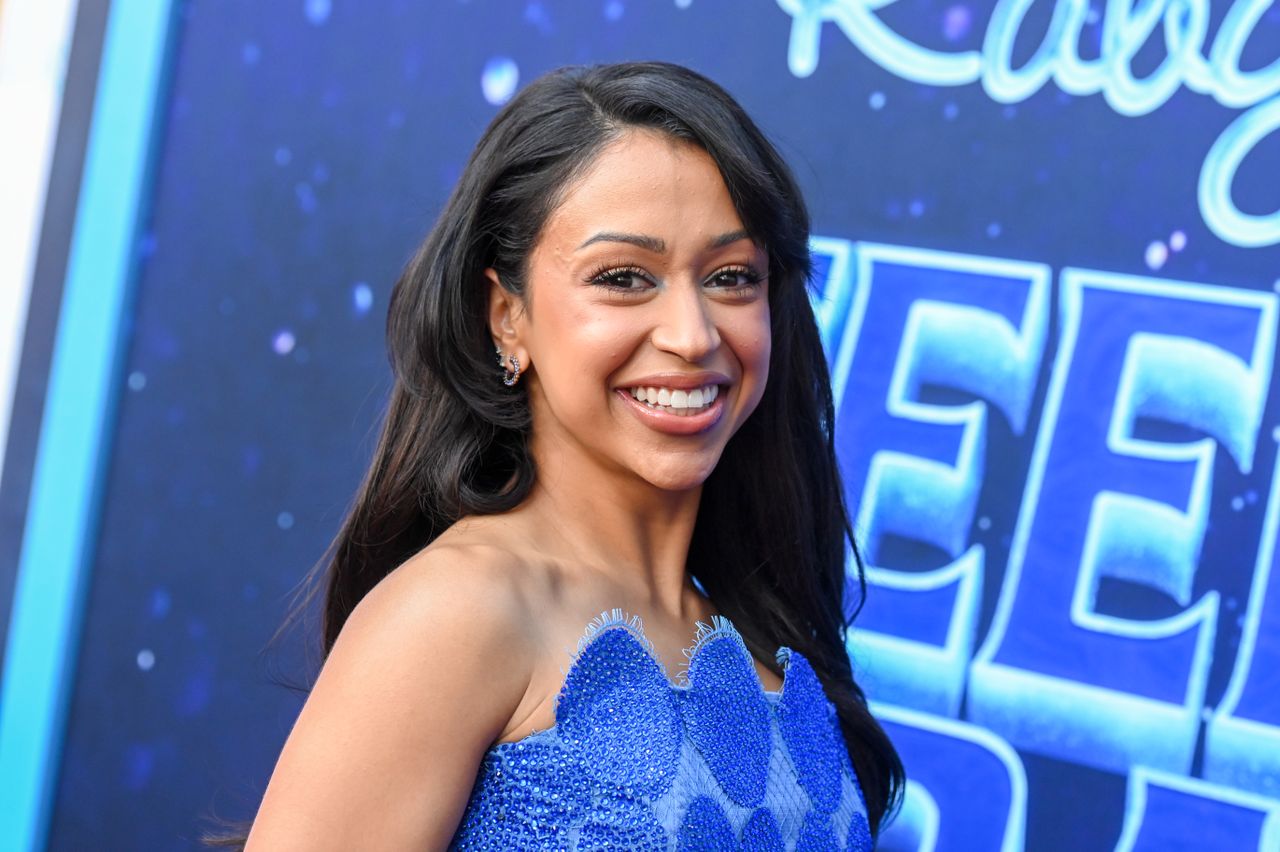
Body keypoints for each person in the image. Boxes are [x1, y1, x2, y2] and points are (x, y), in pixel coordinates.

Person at [209, 60, 903, 850]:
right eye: (623, 278)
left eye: (730, 277)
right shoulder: (456, 615)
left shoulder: (753, 629)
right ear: (508, 318)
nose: (693, 334)